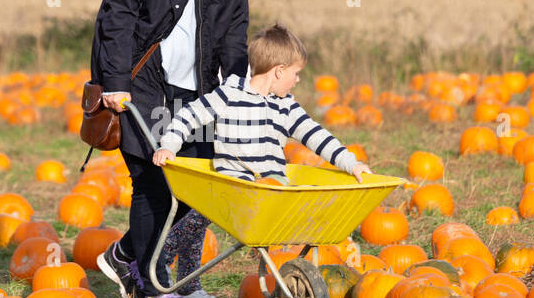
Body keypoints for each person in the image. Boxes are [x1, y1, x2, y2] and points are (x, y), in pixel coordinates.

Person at [90, 0, 249, 298]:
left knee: (194, 188)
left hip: (197, 85)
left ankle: (125, 257)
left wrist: (236, 77)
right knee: (154, 186)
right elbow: (116, 11)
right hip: (142, 81)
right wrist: (114, 79)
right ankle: (149, 288)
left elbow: (235, 19)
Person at [152, 23, 372, 187]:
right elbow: (189, 115)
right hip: (234, 185)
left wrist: (351, 164)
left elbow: (317, 136)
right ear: (279, 71)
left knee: (294, 198)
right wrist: (168, 146)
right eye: (295, 74)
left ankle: (268, 248)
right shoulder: (230, 94)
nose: (297, 80)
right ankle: (172, 246)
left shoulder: (286, 106)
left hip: (272, 187)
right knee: (200, 213)